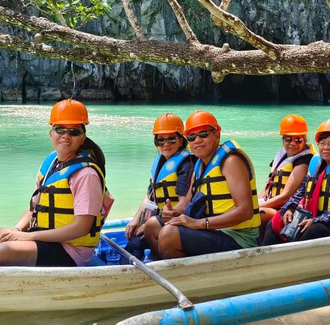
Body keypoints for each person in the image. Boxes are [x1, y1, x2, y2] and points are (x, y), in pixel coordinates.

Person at [0, 99, 111, 267]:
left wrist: (28, 237)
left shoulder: (86, 174)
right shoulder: (51, 163)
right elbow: (34, 208)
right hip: (42, 237)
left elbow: (81, 227)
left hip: (71, 250)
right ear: (51, 133)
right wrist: (17, 230)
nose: (66, 136)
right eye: (60, 129)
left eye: (74, 131)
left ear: (82, 138)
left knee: (2, 252)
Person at [156, 111, 260, 258]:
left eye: (203, 134)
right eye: (192, 137)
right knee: (153, 226)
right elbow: (185, 205)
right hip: (212, 230)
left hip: (238, 236)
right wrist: (172, 213)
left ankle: (185, 278)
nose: (197, 140)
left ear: (217, 134)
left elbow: (246, 211)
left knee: (169, 234)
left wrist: (198, 224)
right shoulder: (200, 164)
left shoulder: (230, 161)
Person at [261, 119, 330, 245]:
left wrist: (317, 220)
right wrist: (288, 208)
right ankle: (268, 261)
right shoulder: (316, 164)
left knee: (313, 231)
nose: (326, 148)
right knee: (274, 223)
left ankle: (296, 262)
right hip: (313, 216)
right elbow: (302, 192)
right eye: (322, 143)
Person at [123, 113, 194, 262]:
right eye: (160, 140)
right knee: (132, 244)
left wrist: (151, 223)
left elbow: (184, 204)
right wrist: (136, 220)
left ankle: (162, 262)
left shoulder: (186, 164)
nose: (165, 144)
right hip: (161, 217)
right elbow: (149, 196)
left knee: (147, 230)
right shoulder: (160, 162)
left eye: (171, 139)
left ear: (181, 140)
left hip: (180, 220)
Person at [258, 114, 313, 227]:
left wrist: (257, 207)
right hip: (271, 203)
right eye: (288, 139)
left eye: (298, 140)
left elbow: (285, 197)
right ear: (283, 139)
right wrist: (256, 201)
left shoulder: (304, 162)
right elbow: (269, 186)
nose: (293, 143)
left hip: (285, 209)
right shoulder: (282, 157)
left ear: (304, 140)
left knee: (253, 215)